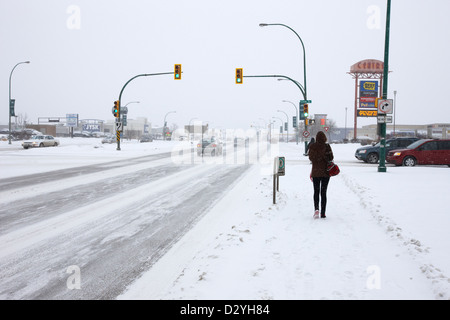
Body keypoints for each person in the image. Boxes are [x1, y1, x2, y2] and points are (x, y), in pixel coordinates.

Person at [308, 131, 334, 218]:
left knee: (316, 191)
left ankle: (316, 209)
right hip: (325, 173)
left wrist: (317, 158)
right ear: (324, 138)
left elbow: (311, 158)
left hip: (316, 172)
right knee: (323, 192)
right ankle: (323, 213)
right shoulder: (327, 146)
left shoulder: (312, 146)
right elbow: (331, 157)